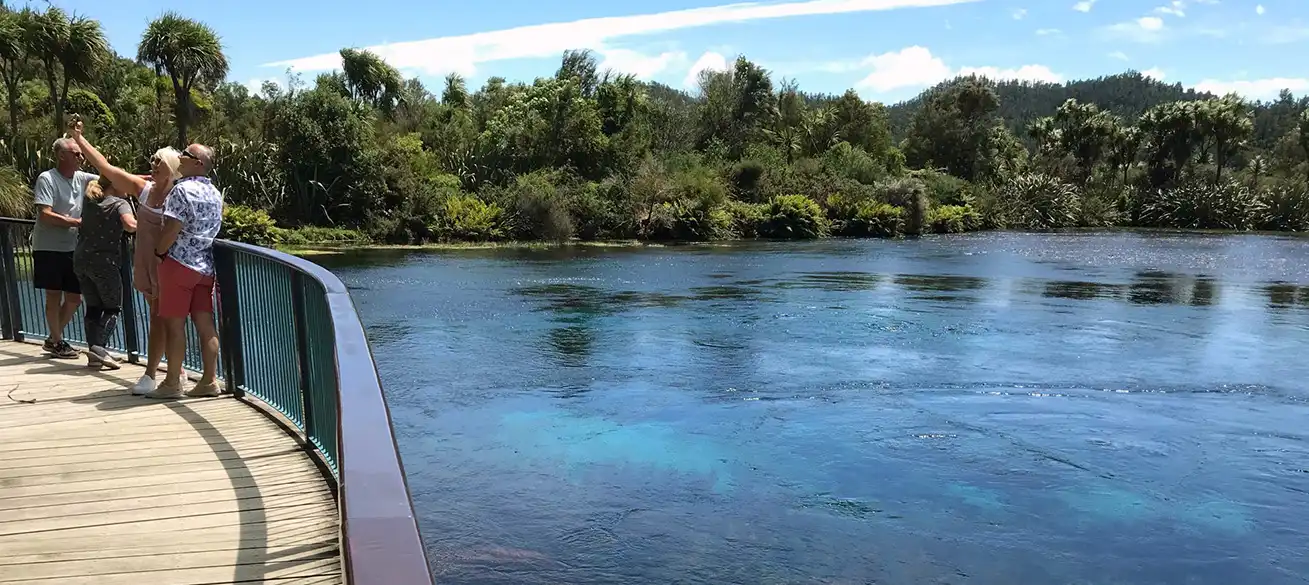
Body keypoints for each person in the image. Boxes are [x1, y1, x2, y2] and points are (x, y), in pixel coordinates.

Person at [70, 122, 182, 393]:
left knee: (162, 319)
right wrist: (79, 139)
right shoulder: (144, 190)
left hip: (165, 264)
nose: (154, 165)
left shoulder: (178, 195)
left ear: (173, 169)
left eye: (160, 163)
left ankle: (156, 375)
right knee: (162, 319)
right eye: (153, 161)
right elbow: (106, 169)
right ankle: (171, 374)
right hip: (145, 264)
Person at [149, 143, 223, 399]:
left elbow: (172, 229)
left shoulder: (182, 191)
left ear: (198, 163)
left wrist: (159, 252)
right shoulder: (215, 193)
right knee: (205, 324)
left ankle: (171, 384)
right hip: (205, 268)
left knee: (174, 326)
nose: (180, 157)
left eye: (186, 155)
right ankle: (210, 380)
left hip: (179, 264)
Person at [31, 137, 98, 359]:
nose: (81, 157)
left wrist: (145, 180)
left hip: (72, 247)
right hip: (49, 247)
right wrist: (77, 223)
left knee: (74, 298)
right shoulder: (47, 179)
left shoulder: (82, 178)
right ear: (62, 155)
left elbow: (111, 176)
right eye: (76, 153)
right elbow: (46, 215)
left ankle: (53, 338)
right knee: (53, 295)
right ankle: (58, 341)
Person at [73, 176, 137, 369]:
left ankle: (94, 354)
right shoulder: (120, 203)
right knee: (112, 307)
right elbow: (130, 225)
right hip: (104, 263)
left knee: (93, 306)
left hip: (81, 260)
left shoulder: (91, 201)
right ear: (116, 185)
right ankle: (99, 348)